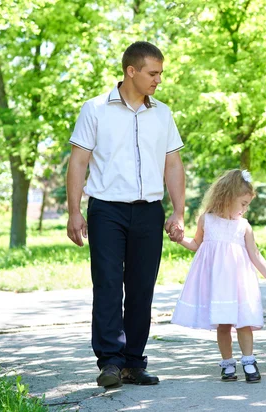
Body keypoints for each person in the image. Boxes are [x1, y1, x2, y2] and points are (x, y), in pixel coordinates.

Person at [66, 41, 185, 388]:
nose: (158, 80)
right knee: (107, 284)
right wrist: (74, 212)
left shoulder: (162, 113)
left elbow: (173, 163)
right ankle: (110, 362)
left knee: (141, 289)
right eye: (153, 73)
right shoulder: (95, 109)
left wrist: (178, 211)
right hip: (106, 210)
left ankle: (133, 362)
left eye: (161, 73)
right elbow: (78, 162)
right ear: (130, 71)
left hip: (149, 211)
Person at [171, 169, 266, 384]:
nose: (245, 209)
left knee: (244, 323)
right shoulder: (206, 220)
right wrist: (180, 239)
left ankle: (248, 360)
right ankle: (227, 363)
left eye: (248, 204)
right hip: (216, 282)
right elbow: (195, 244)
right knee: (223, 324)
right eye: (243, 203)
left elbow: (255, 255)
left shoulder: (243, 226)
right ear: (227, 198)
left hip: (238, 282)